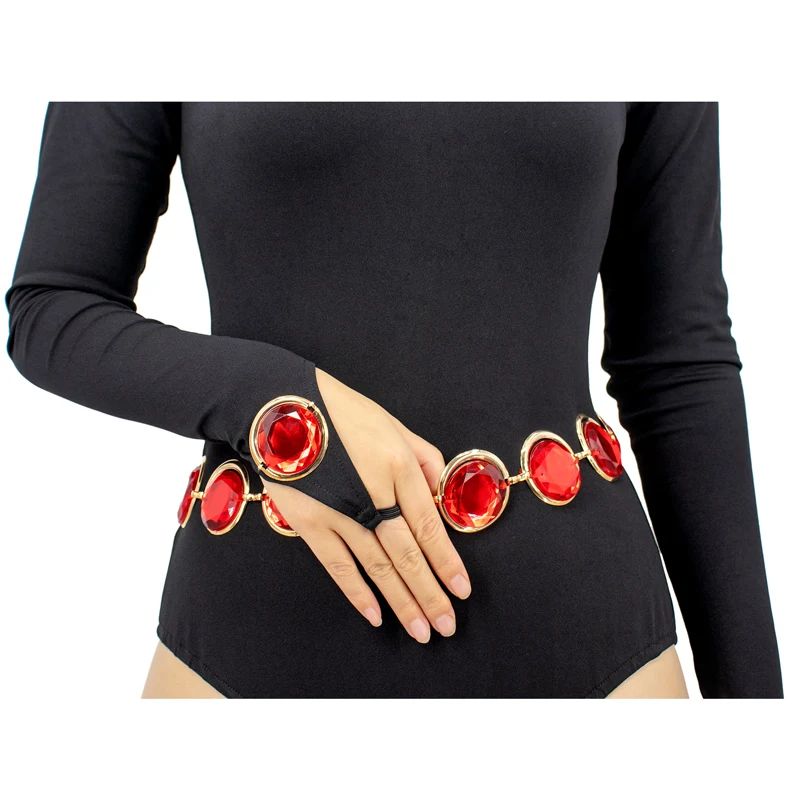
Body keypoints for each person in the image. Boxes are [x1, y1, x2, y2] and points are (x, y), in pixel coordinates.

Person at [5, 101, 782, 698]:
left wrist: (761, 729)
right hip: (249, 642)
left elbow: (679, 365)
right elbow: (53, 306)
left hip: (593, 650)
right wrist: (275, 405)